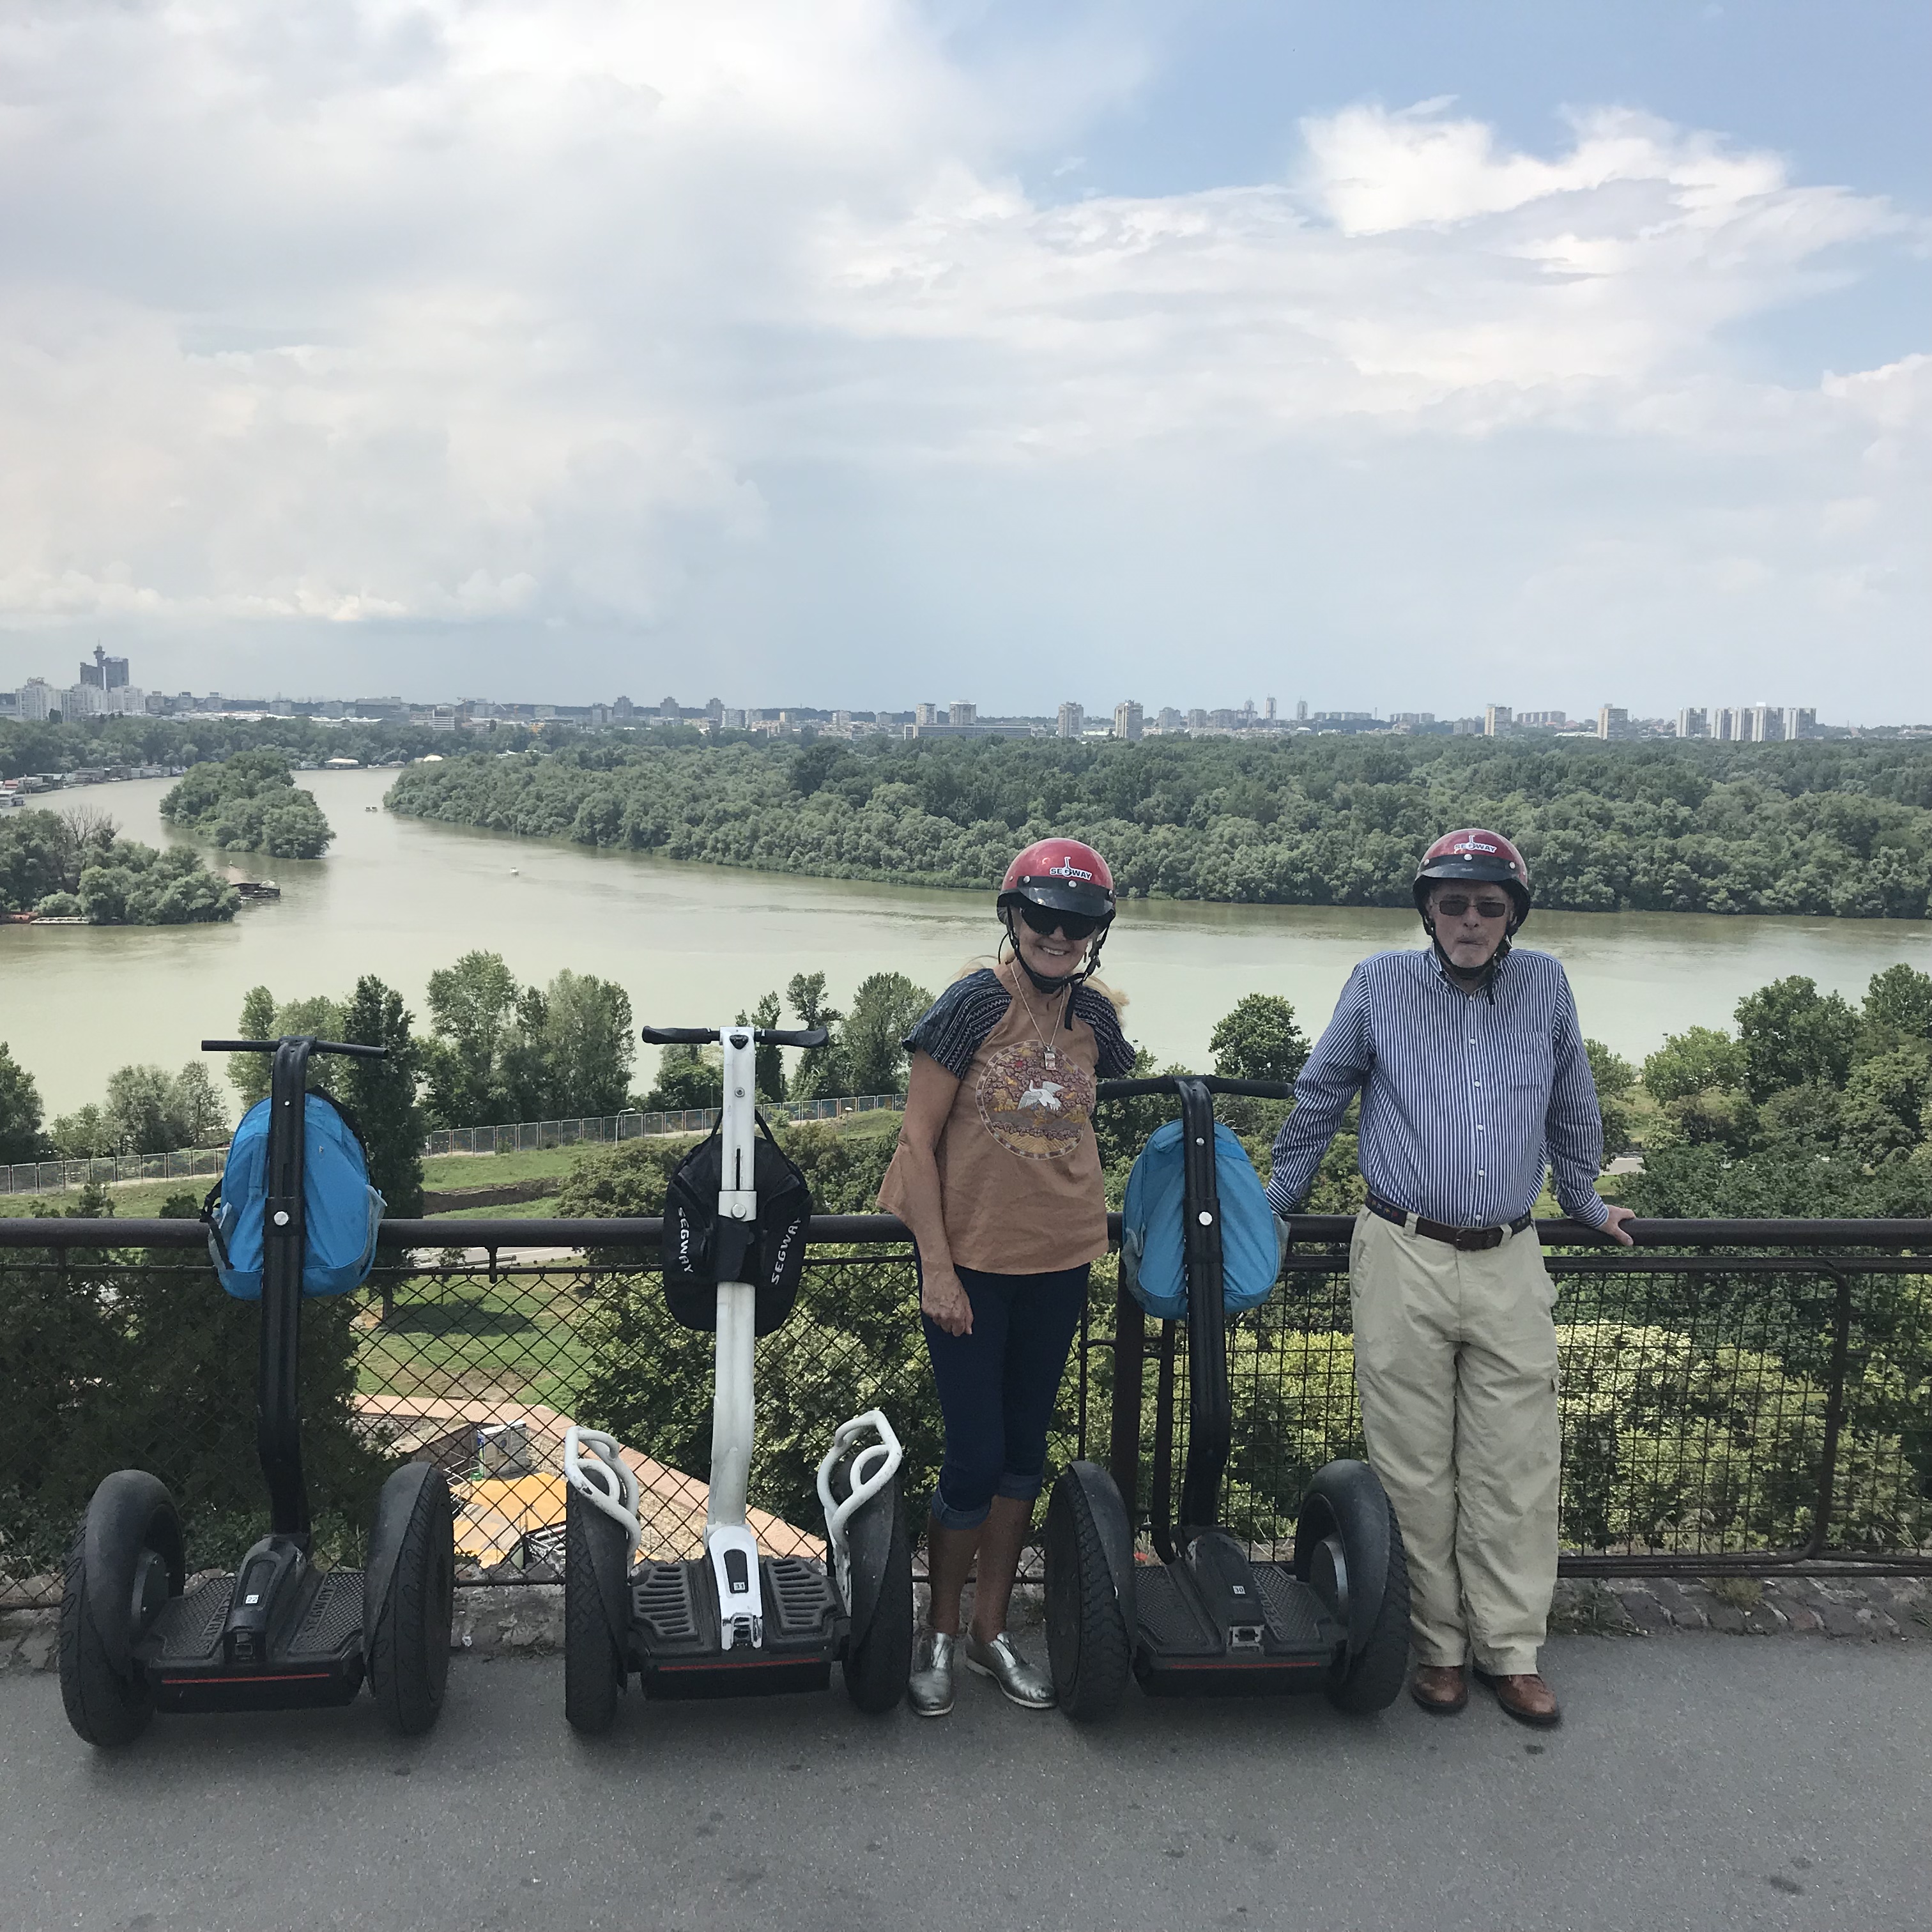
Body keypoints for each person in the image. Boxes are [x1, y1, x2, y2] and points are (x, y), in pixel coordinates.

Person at [1267, 828, 1635, 1729]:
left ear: (1512, 916)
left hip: (1510, 1254)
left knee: (1517, 1463)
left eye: (1489, 906)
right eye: (1455, 903)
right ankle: (1437, 1647)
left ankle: (1512, 1652)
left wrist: (1586, 1198)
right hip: (1402, 1249)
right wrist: (1273, 1203)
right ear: (1427, 910)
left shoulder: (1545, 982)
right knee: (1413, 1471)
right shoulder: (1378, 984)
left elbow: (1570, 1101)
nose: (1471, 920)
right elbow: (1321, 1095)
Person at [877, 837, 1137, 1717]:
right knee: (973, 1459)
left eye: (1078, 923)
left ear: (1096, 934)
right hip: (973, 1271)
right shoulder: (969, 1006)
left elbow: (1100, 1109)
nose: (1057, 934)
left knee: (1024, 1456)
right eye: (1042, 917)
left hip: (1060, 1262)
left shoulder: (1094, 1020)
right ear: (1013, 918)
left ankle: (992, 1633)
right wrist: (936, 1272)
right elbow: (915, 1144)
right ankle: (938, 1630)